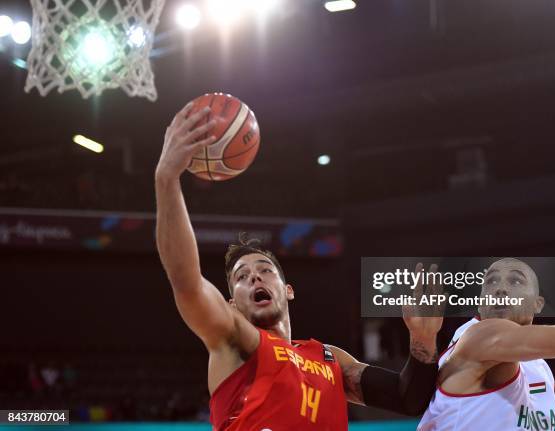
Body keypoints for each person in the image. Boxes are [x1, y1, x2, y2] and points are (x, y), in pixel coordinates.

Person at [155, 101, 443, 430]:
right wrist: (167, 179)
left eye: (264, 270)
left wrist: (423, 339)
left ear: (287, 289)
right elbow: (187, 283)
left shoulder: (329, 358)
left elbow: (409, 398)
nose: (253, 277)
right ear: (231, 303)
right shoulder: (235, 343)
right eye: (242, 277)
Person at [418, 257, 555, 431]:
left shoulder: (540, 368)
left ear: (538, 303)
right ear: (479, 302)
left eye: (515, 280)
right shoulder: (480, 337)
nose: (500, 288)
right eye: (491, 281)